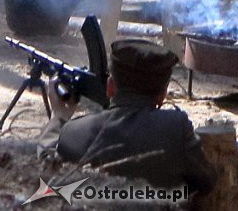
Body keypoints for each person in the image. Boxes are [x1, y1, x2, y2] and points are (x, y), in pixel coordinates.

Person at [38, 39, 217, 198]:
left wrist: (58, 117)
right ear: (162, 95)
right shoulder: (175, 127)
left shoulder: (73, 131)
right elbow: (205, 182)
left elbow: (47, 164)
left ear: (110, 87)